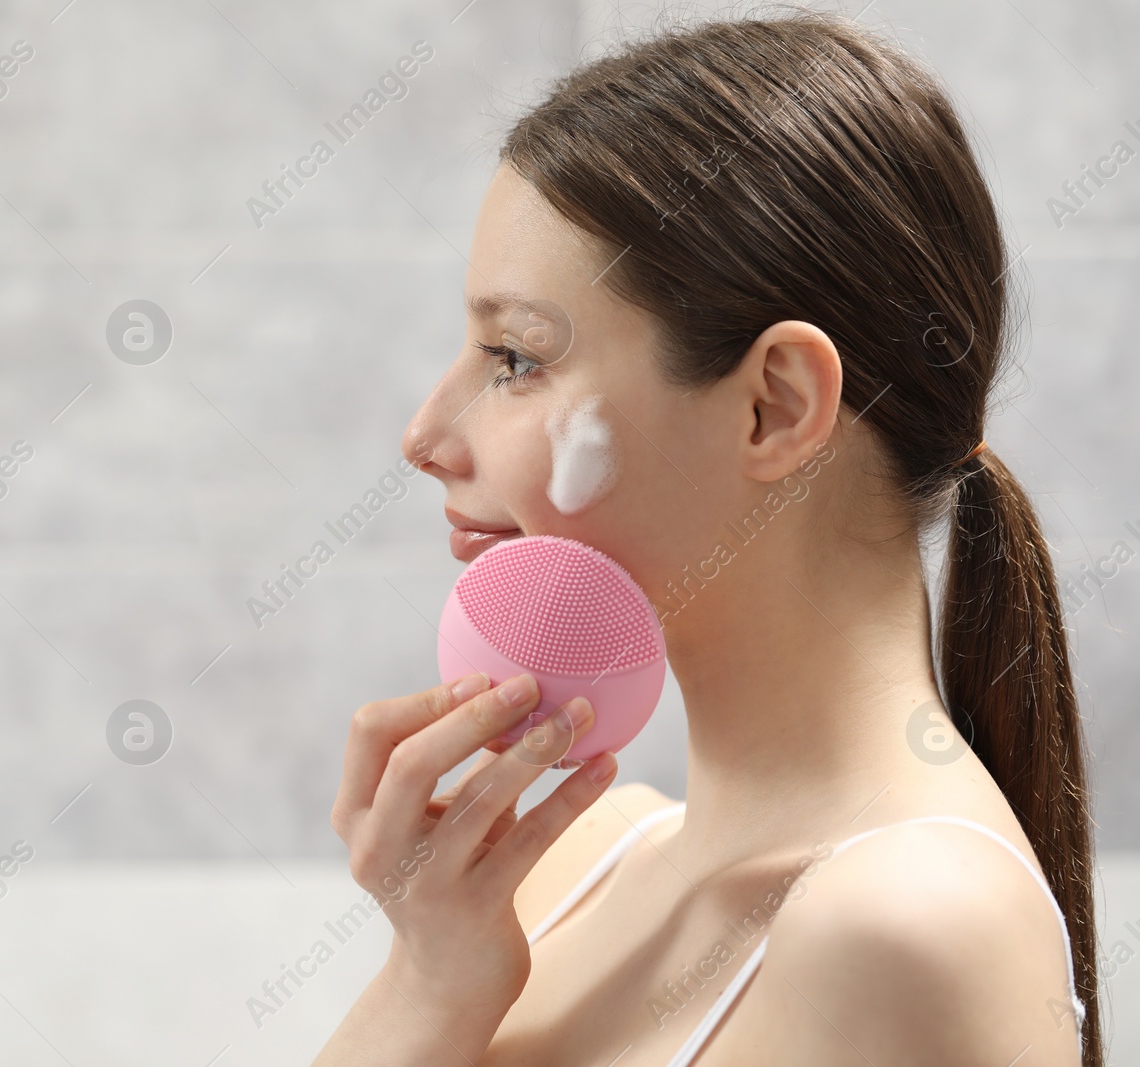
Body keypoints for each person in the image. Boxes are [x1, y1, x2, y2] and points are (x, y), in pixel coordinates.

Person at [318, 11, 1100, 1066]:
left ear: (772, 406)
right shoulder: (568, 863)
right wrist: (426, 979)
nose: (424, 437)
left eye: (514, 357)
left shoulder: (909, 925)